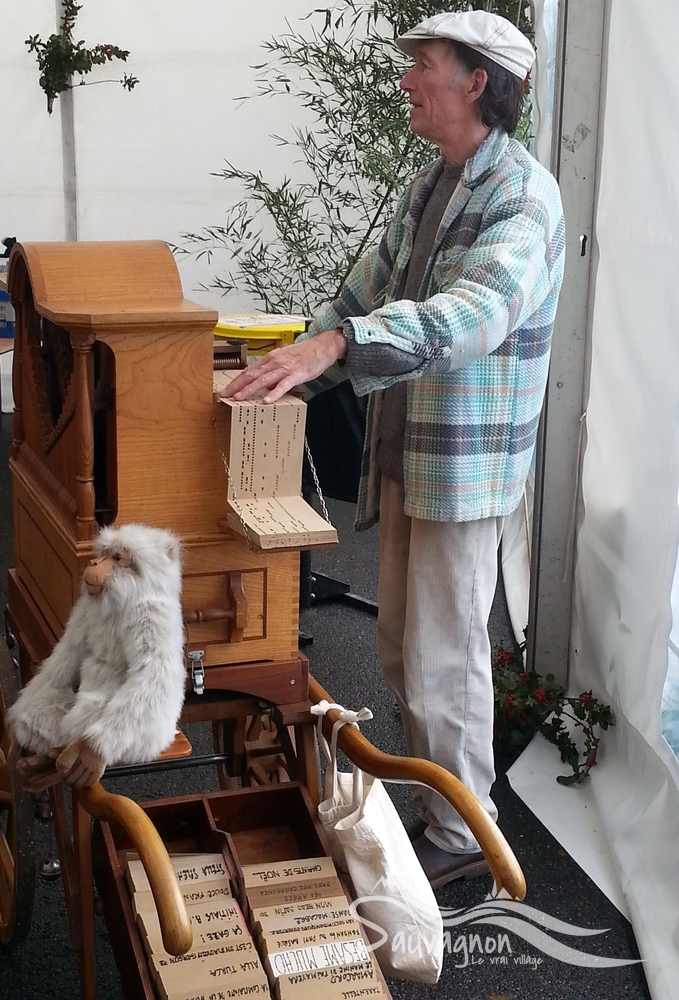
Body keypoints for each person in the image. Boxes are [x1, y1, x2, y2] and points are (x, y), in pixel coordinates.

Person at [221, 10, 566, 888]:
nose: (406, 80)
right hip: (411, 453)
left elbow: (473, 316)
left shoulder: (525, 198)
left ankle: (464, 832)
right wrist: (278, 374)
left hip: (465, 467)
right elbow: (358, 300)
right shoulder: (430, 185)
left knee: (445, 655)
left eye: (423, 65)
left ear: (476, 82)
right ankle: (440, 809)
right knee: (403, 646)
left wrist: (336, 348)